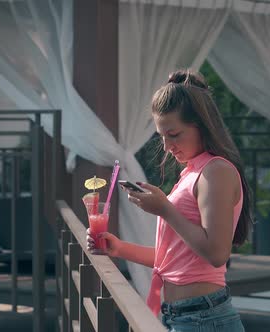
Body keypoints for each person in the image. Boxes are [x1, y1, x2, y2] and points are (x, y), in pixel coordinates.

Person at [87, 69, 252, 331]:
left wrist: (165, 209)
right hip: (183, 316)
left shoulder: (216, 171)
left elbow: (217, 254)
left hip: (204, 319)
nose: (166, 146)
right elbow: (175, 260)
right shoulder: (192, 172)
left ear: (202, 125)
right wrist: (118, 249)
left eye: (174, 135)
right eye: (161, 136)